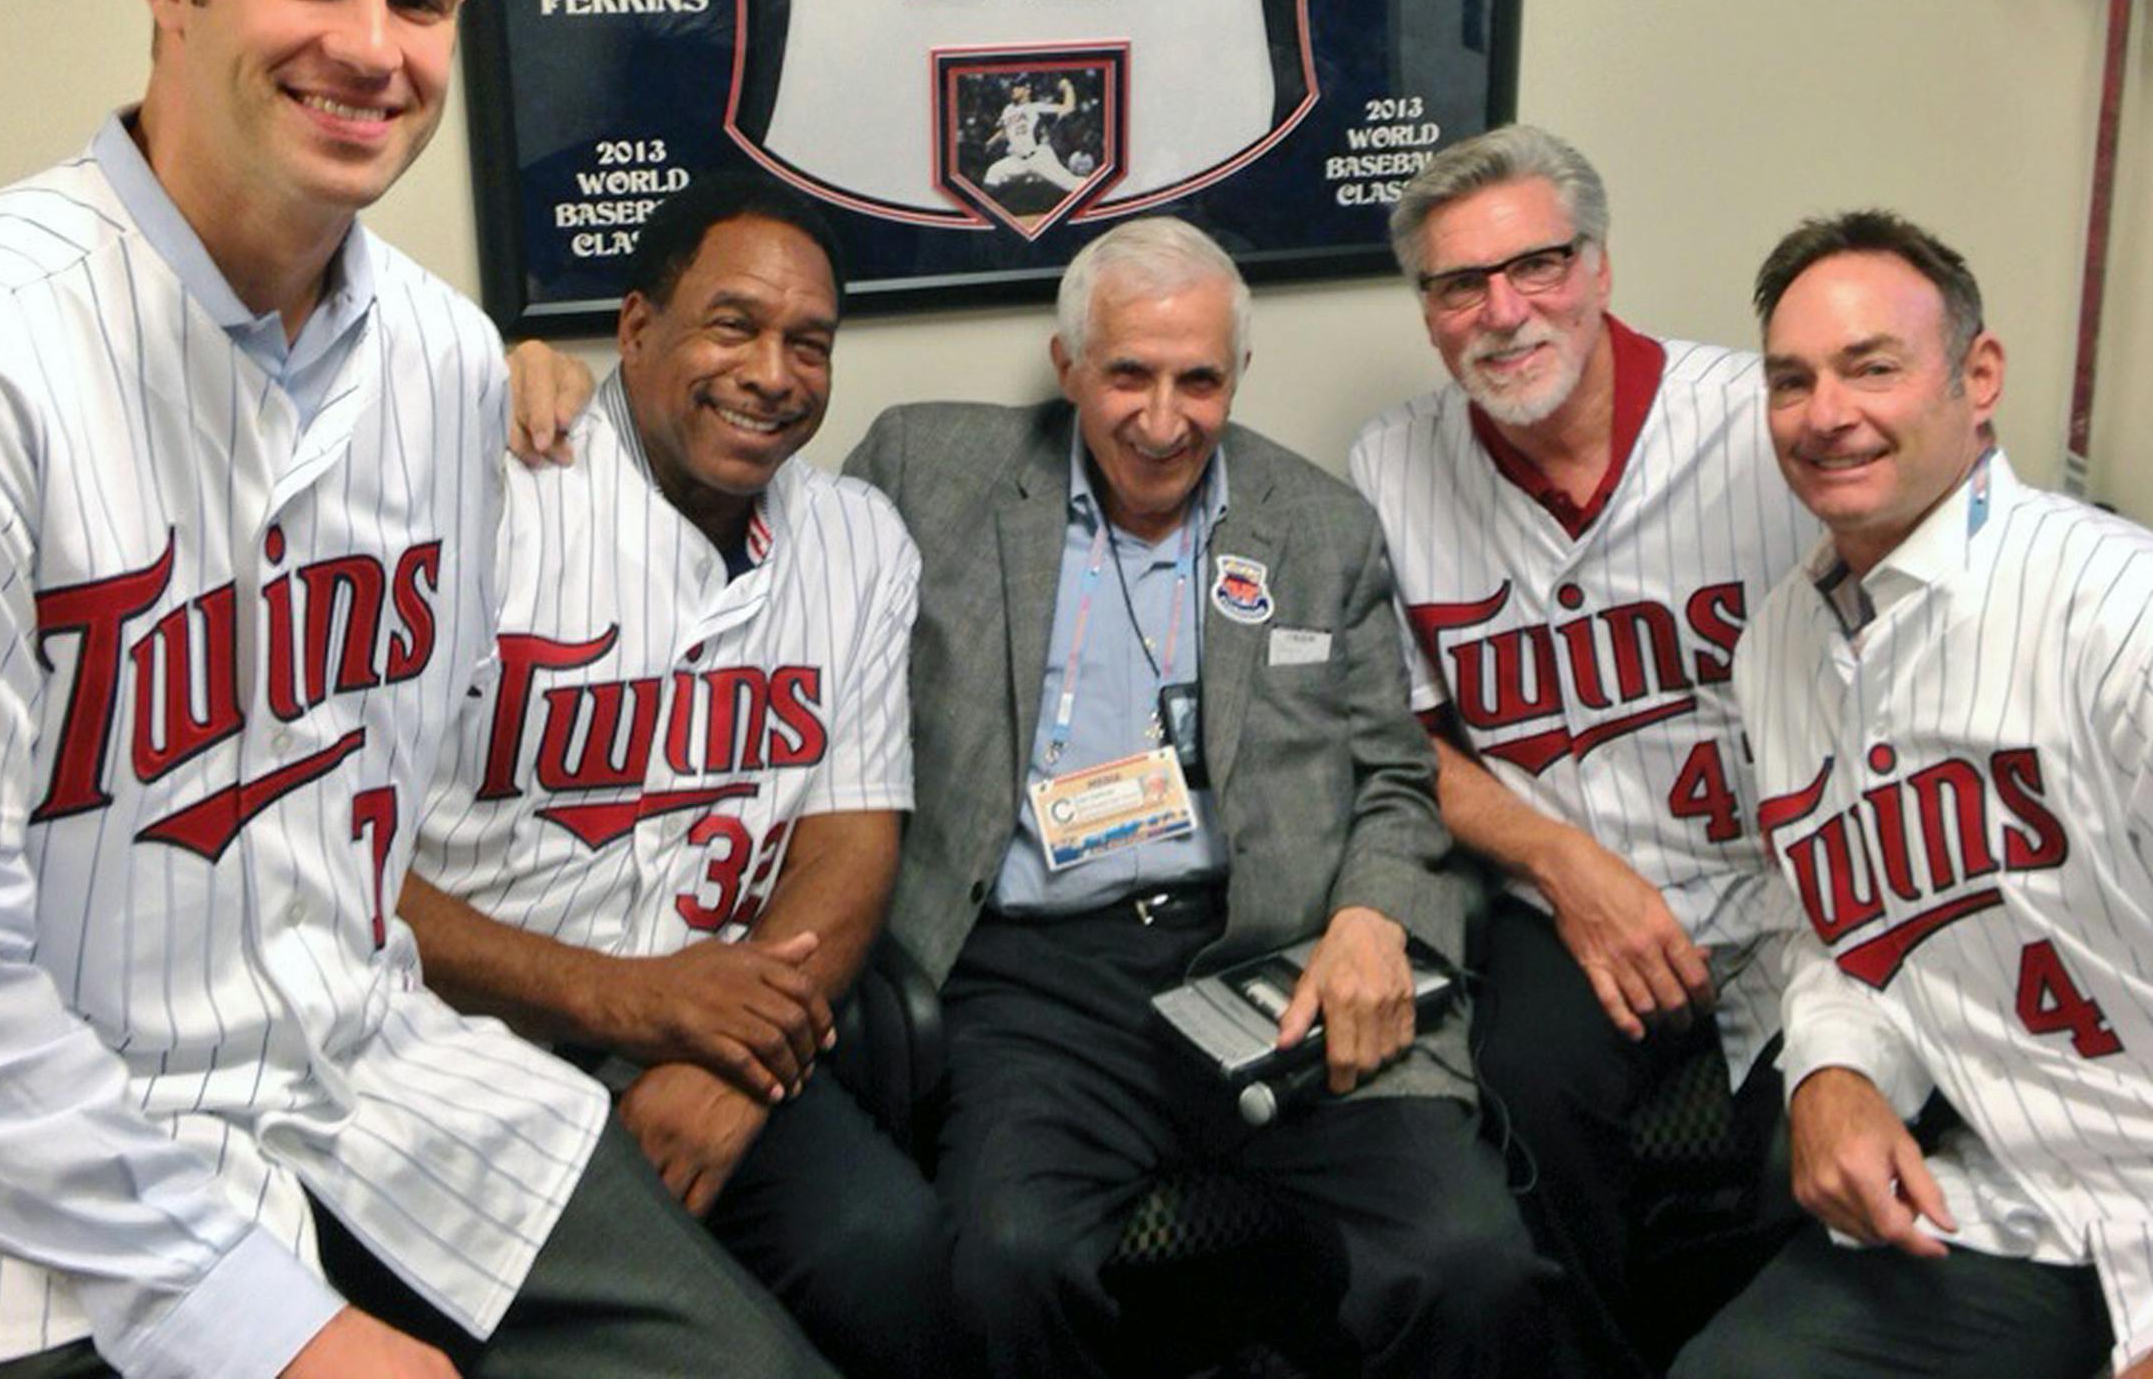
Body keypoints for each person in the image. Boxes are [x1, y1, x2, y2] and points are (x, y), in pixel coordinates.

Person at [0, 0, 825, 1378]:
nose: (373, 47)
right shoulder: (14, 342)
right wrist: (279, 1329)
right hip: (56, 1152)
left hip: (371, 1065)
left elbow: (402, 786)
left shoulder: (451, 362)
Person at [843, 216, 1569, 1377]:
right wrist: (575, 403)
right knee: (1004, 1264)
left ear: (1238, 377)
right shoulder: (930, 472)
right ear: (1067, 364)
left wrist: (1373, 913)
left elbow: (1395, 776)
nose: (1164, 419)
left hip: (1277, 960)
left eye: (1200, 380)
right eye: (1127, 374)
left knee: (1470, 1257)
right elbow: (753, 553)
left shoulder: (1319, 528)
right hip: (1040, 980)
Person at [401, 173, 955, 1379]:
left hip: (719, 1037)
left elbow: (849, 842)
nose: (774, 372)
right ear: (637, 328)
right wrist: (630, 1004)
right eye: (733, 324)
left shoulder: (857, 540)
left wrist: (746, 1064)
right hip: (459, 1060)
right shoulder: (478, 492)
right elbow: (349, 878)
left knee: (904, 1258)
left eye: (809, 343)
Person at [1349, 125, 1812, 1369]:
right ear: (1430, 313)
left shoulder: (1766, 425)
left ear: (1599, 268)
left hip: (1788, 888)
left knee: (1808, 1161)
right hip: (1561, 899)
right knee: (1525, 1119)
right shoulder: (1392, 465)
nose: (1504, 312)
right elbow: (1399, 734)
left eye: (1538, 265)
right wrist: (1560, 863)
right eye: (1459, 285)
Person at [1672, 211, 2153, 1379]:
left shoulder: (2116, 613)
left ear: (1976, 378)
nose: (1827, 413)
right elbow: (1846, 924)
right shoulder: (1779, 641)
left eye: (1872, 367)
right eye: (1792, 381)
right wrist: (1833, 1068)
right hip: (2012, 1200)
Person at [982, 77, 1082, 197]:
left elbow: (1068, 108)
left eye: (1017, 87)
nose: (1013, 90)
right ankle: (990, 212)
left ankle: (1096, 194)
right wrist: (991, 142)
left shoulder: (1037, 108)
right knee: (993, 173)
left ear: (1027, 90)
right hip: (1017, 160)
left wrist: (1068, 87)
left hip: (1039, 157)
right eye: (1012, 87)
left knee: (1072, 185)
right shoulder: (1008, 110)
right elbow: (1005, 130)